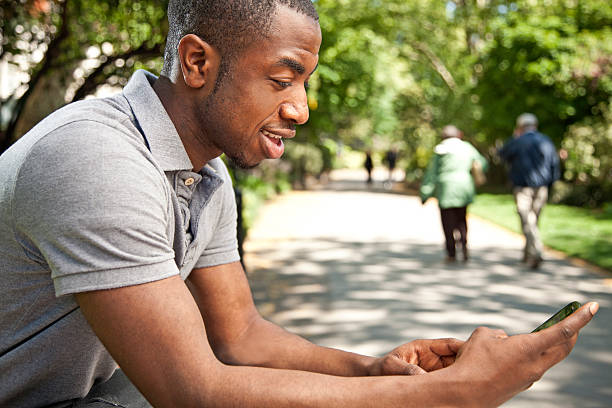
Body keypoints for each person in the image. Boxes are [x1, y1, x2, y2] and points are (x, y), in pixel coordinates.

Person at [0, 1, 597, 407]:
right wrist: (446, 395)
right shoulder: (95, 158)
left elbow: (240, 338)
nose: (301, 108)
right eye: (282, 80)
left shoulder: (204, 170)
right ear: (197, 62)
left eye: (305, 82)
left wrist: (375, 371)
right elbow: (194, 389)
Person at [499, 113, 561, 269]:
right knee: (532, 221)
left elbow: (502, 155)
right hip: (542, 187)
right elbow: (554, 164)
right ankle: (529, 255)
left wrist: (514, 138)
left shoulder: (518, 141)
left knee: (528, 222)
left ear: (520, 127)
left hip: (523, 187)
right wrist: (551, 184)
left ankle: (536, 252)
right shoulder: (545, 140)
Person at [420, 125, 488, 262]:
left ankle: (451, 253)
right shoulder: (467, 148)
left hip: (446, 190)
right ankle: (464, 245)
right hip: (464, 188)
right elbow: (483, 163)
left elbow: (431, 174)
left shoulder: (440, 150)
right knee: (461, 219)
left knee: (447, 222)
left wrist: (425, 194)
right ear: (459, 135)